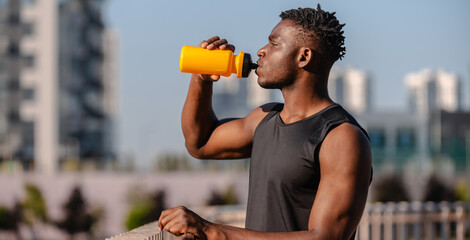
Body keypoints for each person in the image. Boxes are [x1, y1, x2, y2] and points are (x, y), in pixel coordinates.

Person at [158, 4, 372, 240]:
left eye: (274, 43)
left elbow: (325, 237)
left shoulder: (341, 137)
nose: (261, 51)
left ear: (304, 56)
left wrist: (211, 230)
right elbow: (199, 142)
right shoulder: (264, 117)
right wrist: (202, 77)